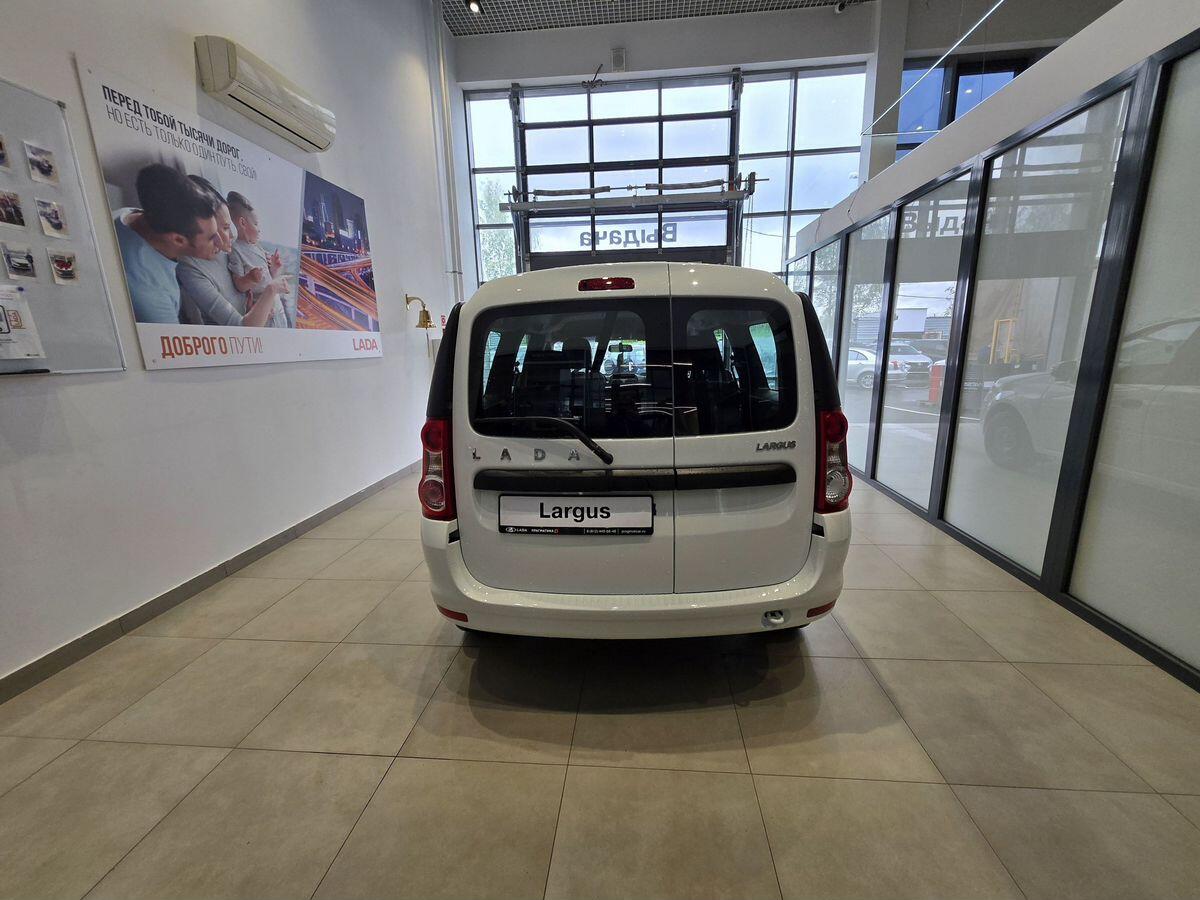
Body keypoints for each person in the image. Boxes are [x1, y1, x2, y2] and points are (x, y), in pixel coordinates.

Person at [112, 164, 221, 323]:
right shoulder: (151, 296)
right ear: (178, 240)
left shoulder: (131, 215)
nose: (220, 241)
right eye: (211, 238)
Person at [176, 177, 288, 327]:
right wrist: (272, 289)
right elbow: (241, 327)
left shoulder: (230, 249)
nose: (231, 235)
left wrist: (271, 274)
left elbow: (253, 286)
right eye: (225, 228)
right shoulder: (190, 269)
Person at [225, 192, 288, 324]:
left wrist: (274, 268)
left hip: (277, 306)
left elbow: (267, 278)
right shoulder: (236, 249)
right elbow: (239, 284)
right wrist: (250, 278)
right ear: (243, 223)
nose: (259, 229)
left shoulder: (258, 247)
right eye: (256, 224)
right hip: (264, 311)